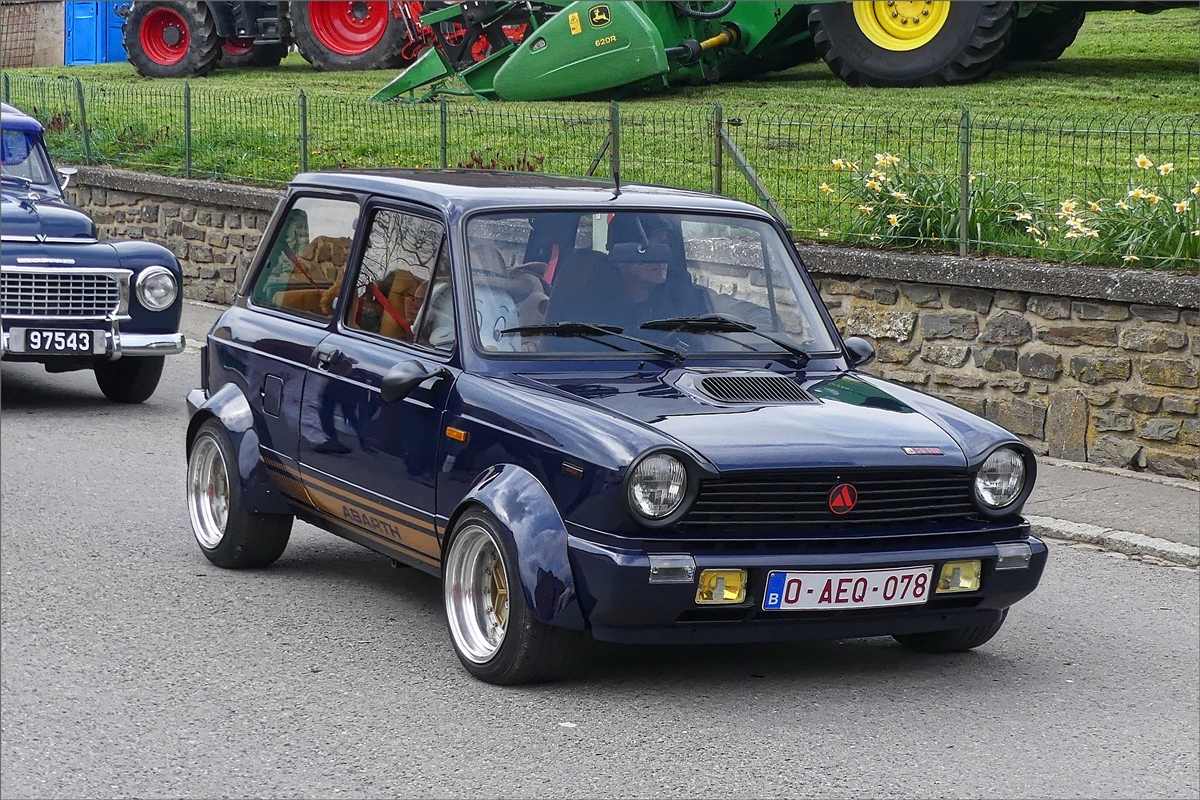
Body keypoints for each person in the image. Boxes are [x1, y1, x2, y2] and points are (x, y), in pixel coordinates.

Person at [546, 212, 712, 331]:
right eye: (648, 249)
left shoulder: (685, 297)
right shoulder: (586, 307)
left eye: (665, 247)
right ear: (619, 257)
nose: (661, 257)